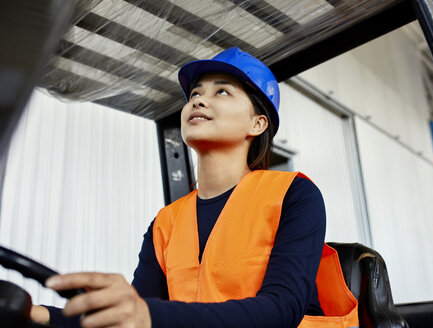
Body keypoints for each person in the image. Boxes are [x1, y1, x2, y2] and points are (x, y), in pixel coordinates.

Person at [31, 47, 358, 327]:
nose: (199, 101)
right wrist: (38, 314)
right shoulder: (166, 223)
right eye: (195, 94)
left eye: (222, 91)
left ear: (257, 124)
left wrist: (152, 316)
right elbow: (130, 317)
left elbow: (282, 309)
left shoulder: (293, 195)